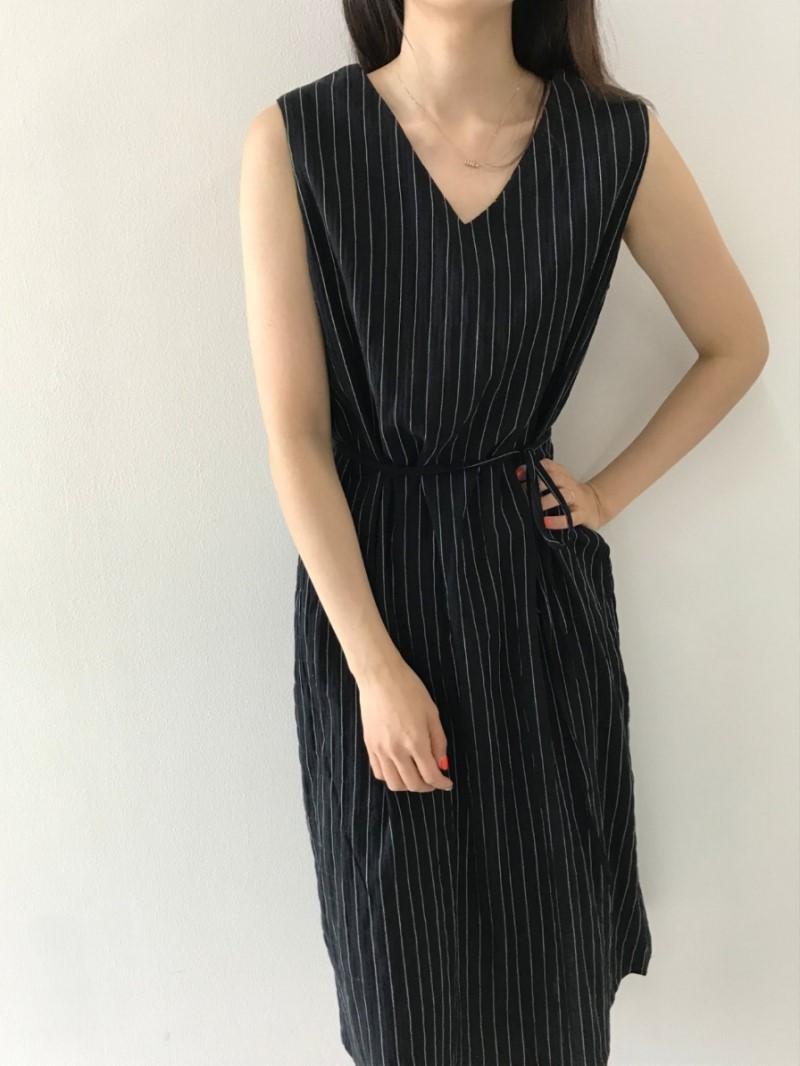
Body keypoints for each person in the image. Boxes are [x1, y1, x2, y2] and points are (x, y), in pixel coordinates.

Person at [239, 2, 768, 1062]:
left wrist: (604, 495)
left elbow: (734, 343)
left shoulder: (608, 140)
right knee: (401, 992)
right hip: (374, 598)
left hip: (531, 605)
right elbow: (295, 437)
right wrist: (373, 667)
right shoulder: (297, 140)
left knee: (550, 984)